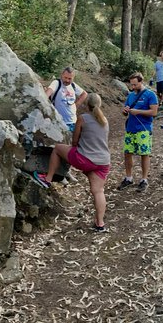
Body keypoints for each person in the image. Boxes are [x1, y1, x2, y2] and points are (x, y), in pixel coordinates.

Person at [32, 93, 111, 232]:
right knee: (98, 191)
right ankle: (100, 223)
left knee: (57, 148)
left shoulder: (83, 118)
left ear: (87, 105)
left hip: (85, 159)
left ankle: (48, 179)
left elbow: (74, 141)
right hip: (103, 162)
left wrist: (76, 149)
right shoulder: (104, 120)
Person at [117, 72, 158, 192]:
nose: (133, 87)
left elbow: (154, 112)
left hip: (144, 129)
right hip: (130, 128)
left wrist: (138, 112)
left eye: (135, 85)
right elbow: (125, 111)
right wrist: (125, 111)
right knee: (127, 153)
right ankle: (128, 177)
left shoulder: (150, 95)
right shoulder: (130, 96)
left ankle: (144, 180)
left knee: (144, 154)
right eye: (131, 85)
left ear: (141, 82)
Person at [45, 67, 88, 133]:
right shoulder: (56, 83)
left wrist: (76, 106)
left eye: (70, 79)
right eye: (65, 78)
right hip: (59, 122)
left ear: (73, 78)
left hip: (73, 122)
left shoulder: (73, 85)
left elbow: (84, 94)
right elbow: (47, 94)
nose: (67, 80)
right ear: (62, 75)